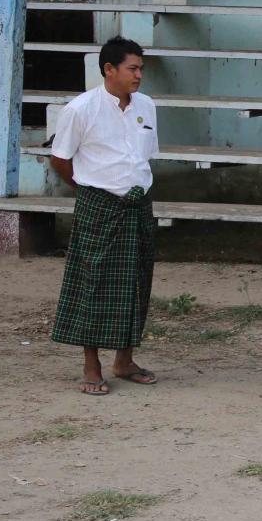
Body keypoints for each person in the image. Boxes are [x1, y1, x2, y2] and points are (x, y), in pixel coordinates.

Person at [48, 36, 160, 396]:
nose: (138, 75)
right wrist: (88, 188)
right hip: (99, 203)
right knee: (93, 282)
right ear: (109, 69)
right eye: (132, 68)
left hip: (138, 203)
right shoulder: (80, 109)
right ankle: (91, 364)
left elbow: (145, 158)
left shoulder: (146, 105)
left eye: (141, 68)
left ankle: (124, 360)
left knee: (137, 281)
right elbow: (60, 160)